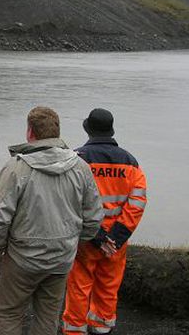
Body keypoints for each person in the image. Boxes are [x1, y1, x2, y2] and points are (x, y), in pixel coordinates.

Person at [0, 107, 103, 335]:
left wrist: (2, 249)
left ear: (30, 132)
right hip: (61, 259)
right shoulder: (81, 168)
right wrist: (74, 242)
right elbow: (94, 217)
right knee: (48, 317)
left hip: (22, 258)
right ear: (57, 132)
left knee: (9, 313)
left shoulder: (16, 168)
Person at [62, 108, 148, 334]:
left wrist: (96, 235)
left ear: (87, 129)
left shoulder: (76, 159)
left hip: (85, 237)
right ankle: (101, 327)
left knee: (79, 286)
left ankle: (74, 329)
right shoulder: (131, 162)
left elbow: (69, 200)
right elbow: (137, 203)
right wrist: (116, 237)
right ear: (111, 130)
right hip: (115, 242)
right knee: (109, 286)